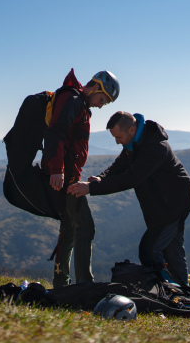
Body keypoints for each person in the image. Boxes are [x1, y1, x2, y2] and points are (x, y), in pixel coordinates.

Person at [67, 111, 190, 287]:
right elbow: (119, 166)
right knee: (171, 250)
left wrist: (91, 188)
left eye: (118, 137)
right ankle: (182, 292)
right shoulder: (133, 145)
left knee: (151, 250)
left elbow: (132, 178)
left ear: (132, 129)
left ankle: (166, 290)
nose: (117, 141)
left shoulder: (155, 147)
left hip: (173, 205)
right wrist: (100, 178)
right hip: (163, 206)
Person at [43, 68, 119, 288]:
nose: (102, 105)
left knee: (69, 227)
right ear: (95, 87)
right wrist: (57, 170)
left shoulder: (78, 103)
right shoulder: (73, 100)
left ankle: (62, 283)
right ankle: (84, 285)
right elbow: (56, 131)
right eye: (103, 99)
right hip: (64, 176)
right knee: (85, 226)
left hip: (68, 174)